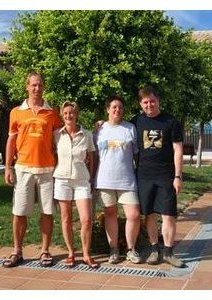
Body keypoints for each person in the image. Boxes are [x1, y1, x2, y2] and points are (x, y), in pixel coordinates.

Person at [2, 71, 62, 268]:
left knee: (47, 213)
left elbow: (60, 141)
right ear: (27, 87)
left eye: (40, 85)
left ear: (43, 87)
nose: (37, 88)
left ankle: (45, 251)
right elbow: (11, 140)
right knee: (19, 212)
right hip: (23, 169)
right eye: (33, 85)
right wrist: (8, 166)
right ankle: (17, 251)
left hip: (47, 170)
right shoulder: (16, 112)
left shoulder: (52, 113)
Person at [130, 86, 187, 268]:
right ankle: (155, 249)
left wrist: (178, 176)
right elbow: (120, 130)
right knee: (150, 214)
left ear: (158, 100)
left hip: (166, 177)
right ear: (140, 104)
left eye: (152, 101)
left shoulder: (171, 121)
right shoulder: (136, 122)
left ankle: (169, 252)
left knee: (169, 214)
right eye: (145, 102)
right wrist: (101, 124)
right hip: (144, 177)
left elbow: (178, 150)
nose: (149, 105)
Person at [94, 95, 142, 265]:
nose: (117, 110)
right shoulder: (99, 129)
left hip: (127, 179)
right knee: (110, 214)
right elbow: (92, 155)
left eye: (120, 107)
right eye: (114, 107)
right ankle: (114, 249)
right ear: (107, 109)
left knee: (134, 215)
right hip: (105, 179)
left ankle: (131, 249)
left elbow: (136, 154)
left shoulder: (129, 128)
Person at [53, 101, 99, 269]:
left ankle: (86, 254)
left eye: (71, 112)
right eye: (65, 113)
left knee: (86, 219)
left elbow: (92, 158)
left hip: (81, 181)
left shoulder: (86, 134)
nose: (68, 116)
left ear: (76, 114)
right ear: (62, 115)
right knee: (66, 218)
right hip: (62, 180)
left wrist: (91, 178)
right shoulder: (57, 134)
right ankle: (71, 253)